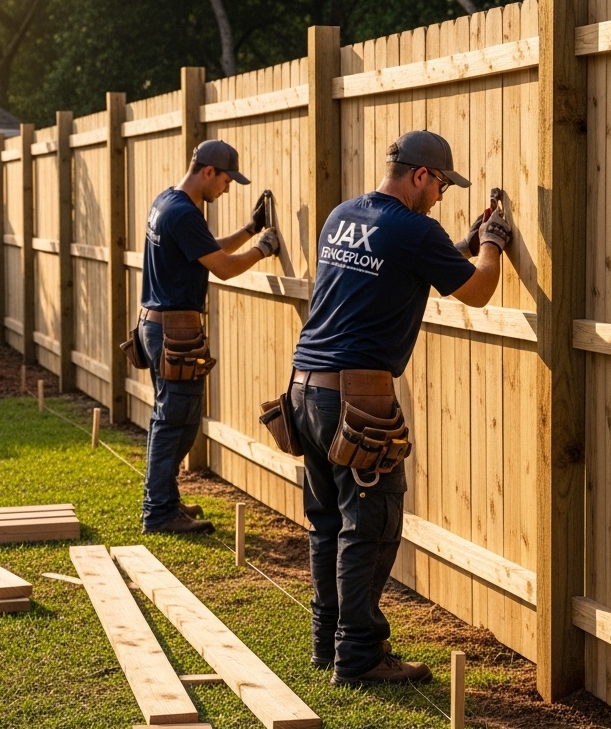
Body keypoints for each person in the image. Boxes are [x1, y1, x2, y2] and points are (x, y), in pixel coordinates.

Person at [290, 130, 511, 685]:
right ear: (420, 176)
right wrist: (492, 243)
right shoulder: (415, 230)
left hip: (303, 389)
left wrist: (453, 249)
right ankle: (360, 655)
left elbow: (391, 274)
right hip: (355, 399)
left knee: (326, 523)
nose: (441, 196)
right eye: (441, 185)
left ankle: (328, 642)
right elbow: (479, 290)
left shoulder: (343, 215)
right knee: (371, 524)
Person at [140, 139, 280, 535]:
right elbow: (223, 268)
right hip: (174, 331)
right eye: (226, 180)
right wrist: (262, 249)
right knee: (175, 421)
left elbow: (206, 250)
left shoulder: (168, 202)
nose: (228, 188)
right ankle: (160, 512)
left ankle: (164, 500)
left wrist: (249, 230)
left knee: (171, 418)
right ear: (207, 172)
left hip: (157, 326)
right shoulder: (184, 213)